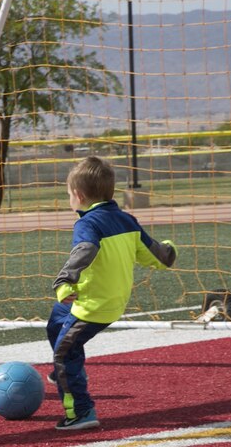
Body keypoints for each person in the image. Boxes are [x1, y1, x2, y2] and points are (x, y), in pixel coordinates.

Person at [47, 156, 176, 431]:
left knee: (64, 354)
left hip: (93, 307)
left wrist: (63, 281)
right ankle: (66, 374)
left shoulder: (87, 224)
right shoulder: (126, 220)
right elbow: (154, 252)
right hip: (112, 302)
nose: (68, 198)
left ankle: (81, 412)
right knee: (56, 321)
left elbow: (85, 250)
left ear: (79, 196)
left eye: (68, 194)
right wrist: (168, 252)